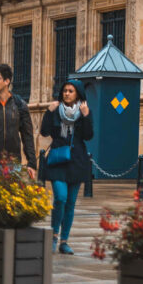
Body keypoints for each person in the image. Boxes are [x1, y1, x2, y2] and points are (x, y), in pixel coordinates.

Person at [40, 79, 93, 255]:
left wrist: (86, 115)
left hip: (76, 160)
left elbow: (88, 135)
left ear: (77, 94)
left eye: (70, 91)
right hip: (57, 160)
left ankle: (64, 241)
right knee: (60, 198)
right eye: (65, 90)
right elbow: (45, 132)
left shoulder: (84, 111)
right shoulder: (56, 111)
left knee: (70, 203)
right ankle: (54, 235)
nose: (66, 93)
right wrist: (48, 112)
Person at [0, 63, 37, 177]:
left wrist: (32, 163)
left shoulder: (19, 105)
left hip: (13, 165)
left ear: (7, 81)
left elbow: (27, 136)